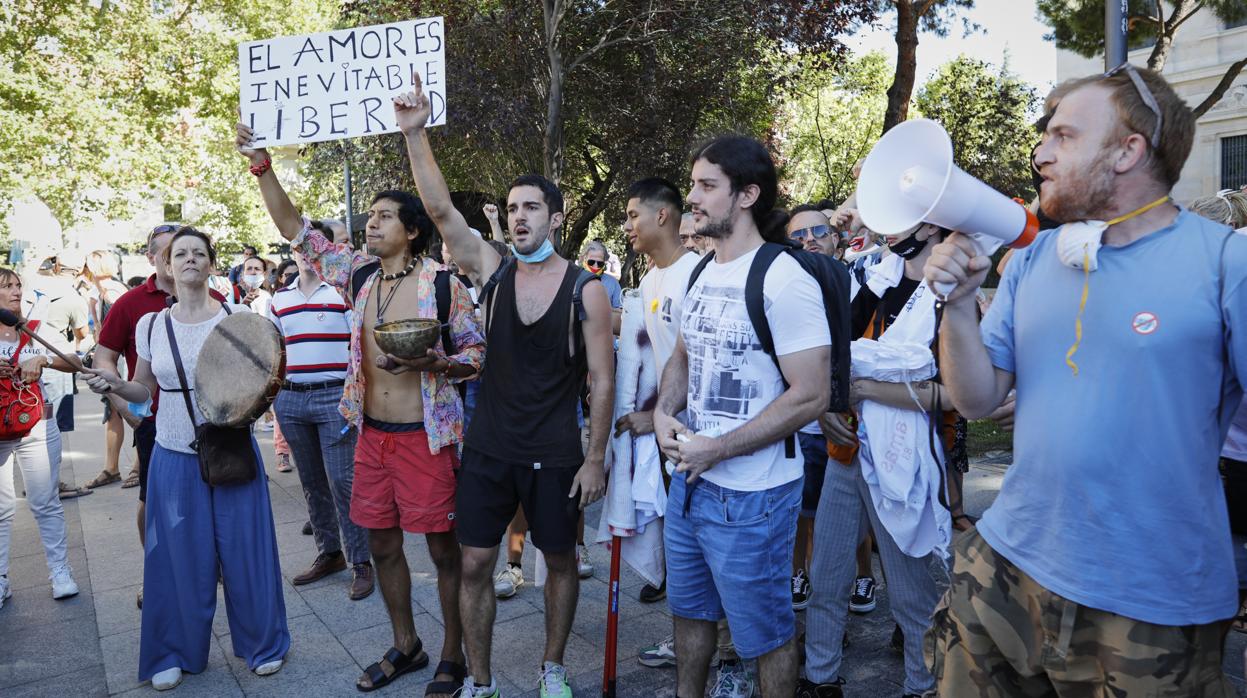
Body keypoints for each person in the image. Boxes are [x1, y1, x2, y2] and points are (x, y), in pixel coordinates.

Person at [924, 65, 1246, 695]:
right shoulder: (1035, 257)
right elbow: (978, 398)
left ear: (1129, 150)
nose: (1040, 152)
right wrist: (958, 303)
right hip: (1004, 565)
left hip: (1148, 597)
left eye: (1064, 136)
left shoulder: (1225, 262)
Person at [237, 121, 485, 696]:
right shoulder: (361, 276)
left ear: (414, 231)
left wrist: (437, 365)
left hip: (427, 438)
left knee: (443, 550)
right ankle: (407, 646)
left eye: (384, 216)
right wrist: (262, 166)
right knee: (380, 544)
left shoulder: (444, 284)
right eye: (369, 216)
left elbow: (477, 355)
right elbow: (296, 231)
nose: (371, 223)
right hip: (371, 436)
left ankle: (454, 652)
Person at [399, 74, 613, 698]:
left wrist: (595, 456)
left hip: (556, 449)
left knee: (561, 562)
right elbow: (441, 212)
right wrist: (415, 133)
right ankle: (482, 681)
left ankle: (552, 668)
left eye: (531, 208)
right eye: (513, 208)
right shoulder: (492, 269)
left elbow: (602, 378)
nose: (519, 217)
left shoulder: (586, 289)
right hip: (490, 445)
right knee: (473, 562)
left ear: (555, 215)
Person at [654, 135, 831, 698]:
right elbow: (683, 355)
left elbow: (811, 396)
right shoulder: (700, 272)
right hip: (689, 484)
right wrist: (662, 411)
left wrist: (718, 447)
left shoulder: (785, 278)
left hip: (754, 498)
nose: (693, 198)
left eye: (708, 186)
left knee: (765, 637)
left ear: (748, 194)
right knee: (688, 616)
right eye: (693, 185)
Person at [82, 227, 289, 691]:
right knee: (175, 557)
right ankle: (173, 650)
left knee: (246, 551)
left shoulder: (238, 316)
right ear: (166, 265)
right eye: (181, 253)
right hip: (173, 453)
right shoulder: (151, 324)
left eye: (199, 252)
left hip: (231, 448)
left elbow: (265, 377)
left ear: (212, 264)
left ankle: (264, 644)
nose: (190, 259)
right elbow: (143, 392)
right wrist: (111, 385)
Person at [800, 220, 955, 698]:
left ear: (930, 224)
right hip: (848, 450)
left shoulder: (952, 294)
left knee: (909, 590)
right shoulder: (876, 280)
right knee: (825, 576)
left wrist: (865, 389)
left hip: (904, 460)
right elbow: (837, 358)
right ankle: (820, 679)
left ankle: (922, 685)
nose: (887, 223)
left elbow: (955, 396)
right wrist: (829, 407)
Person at [93, 224, 227, 609]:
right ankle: (157, 572)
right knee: (154, 503)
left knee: (215, 497)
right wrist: (128, 409)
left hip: (215, 428)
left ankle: (211, 565)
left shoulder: (219, 302)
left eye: (193, 252)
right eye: (173, 252)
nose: (184, 258)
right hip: (155, 422)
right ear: (156, 258)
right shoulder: (132, 303)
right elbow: (106, 357)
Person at [268, 251, 374, 600]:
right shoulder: (279, 299)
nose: (306, 256)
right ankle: (330, 553)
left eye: (312, 248)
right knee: (311, 482)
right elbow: (273, 350)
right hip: (292, 398)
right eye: (299, 250)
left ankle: (361, 561)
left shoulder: (341, 293)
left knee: (344, 481)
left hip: (334, 397)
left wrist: (355, 398)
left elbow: (359, 350)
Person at [0, 267, 82, 609]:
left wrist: (43, 358)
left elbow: (75, 360)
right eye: (7, 287)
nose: (17, 291)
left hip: (36, 425)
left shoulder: (32, 328)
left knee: (45, 501)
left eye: (19, 285)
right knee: (1, 508)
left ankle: (60, 572)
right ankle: (1, 579)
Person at [82, 250, 141, 490]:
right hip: (111, 361)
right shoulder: (99, 291)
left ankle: (138, 465)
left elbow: (126, 329)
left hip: (121, 364)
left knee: (134, 412)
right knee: (113, 413)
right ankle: (112, 467)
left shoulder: (113, 291)